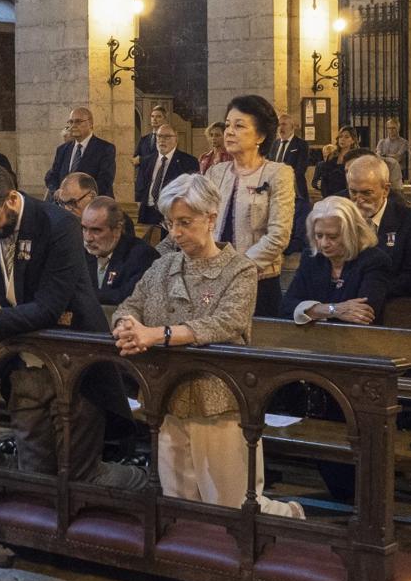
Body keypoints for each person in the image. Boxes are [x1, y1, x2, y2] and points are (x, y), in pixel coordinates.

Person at [0, 164, 146, 490]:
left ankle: (142, 483)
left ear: (10, 199)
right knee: (34, 476)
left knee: (79, 477)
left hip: (74, 365)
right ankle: (37, 538)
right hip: (21, 367)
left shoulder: (58, 225)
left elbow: (49, 307)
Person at [112, 174, 304, 518]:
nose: (176, 233)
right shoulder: (162, 265)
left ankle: (290, 519)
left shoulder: (239, 269)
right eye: (171, 223)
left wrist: (157, 335)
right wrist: (126, 325)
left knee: (232, 503)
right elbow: (131, 303)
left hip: (219, 399)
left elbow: (225, 323)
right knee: (179, 499)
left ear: (211, 218)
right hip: (167, 395)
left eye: (185, 222)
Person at [198, 95, 294, 316]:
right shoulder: (215, 172)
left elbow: (278, 235)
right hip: (214, 279)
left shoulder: (278, 174)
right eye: (228, 125)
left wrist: (238, 268)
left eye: (239, 126)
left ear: (260, 135)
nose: (229, 131)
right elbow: (202, 222)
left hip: (259, 282)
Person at [280, 196, 391, 324]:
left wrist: (309, 310)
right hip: (310, 338)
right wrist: (334, 310)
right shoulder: (311, 258)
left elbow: (364, 314)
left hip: (358, 340)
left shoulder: (374, 260)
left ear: (352, 233)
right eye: (319, 235)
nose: (324, 243)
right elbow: (287, 307)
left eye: (332, 236)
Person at [344, 154, 411, 299]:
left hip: (392, 306)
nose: (359, 199)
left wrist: (368, 290)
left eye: (366, 192)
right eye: (353, 192)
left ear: (386, 190)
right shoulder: (341, 218)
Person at [81, 197, 159, 306]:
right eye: (84, 229)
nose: (88, 238)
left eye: (96, 230)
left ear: (117, 229)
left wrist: (80, 295)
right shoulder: (79, 253)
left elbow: (125, 298)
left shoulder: (141, 255)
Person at [44, 107, 116, 199]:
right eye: (71, 122)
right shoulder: (62, 149)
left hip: (92, 206)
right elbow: (52, 176)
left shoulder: (105, 149)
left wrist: (79, 198)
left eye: (78, 122)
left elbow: (105, 181)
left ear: (90, 123)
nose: (73, 125)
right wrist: (57, 191)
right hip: (64, 206)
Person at [138, 124, 198, 226]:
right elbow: (141, 186)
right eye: (159, 136)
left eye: (167, 137)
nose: (162, 140)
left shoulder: (188, 161)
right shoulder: (147, 161)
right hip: (147, 214)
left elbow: (190, 192)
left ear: (176, 139)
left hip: (171, 215)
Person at [271, 113, 310, 201]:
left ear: (292, 127)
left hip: (294, 190)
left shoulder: (301, 144)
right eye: (278, 125)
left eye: (284, 124)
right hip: (275, 191)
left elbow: (300, 169)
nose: (281, 128)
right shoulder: (274, 144)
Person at [132, 105, 167, 200]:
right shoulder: (144, 139)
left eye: (158, 116)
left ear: (164, 119)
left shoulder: (167, 139)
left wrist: (142, 160)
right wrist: (138, 160)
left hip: (158, 183)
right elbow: (135, 159)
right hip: (142, 185)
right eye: (152, 116)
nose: (154, 119)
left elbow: (162, 157)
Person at [312, 126, 356, 198]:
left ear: (353, 140)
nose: (342, 139)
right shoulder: (332, 156)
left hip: (346, 196)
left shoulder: (355, 157)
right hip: (329, 195)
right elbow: (325, 176)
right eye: (340, 137)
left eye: (346, 137)